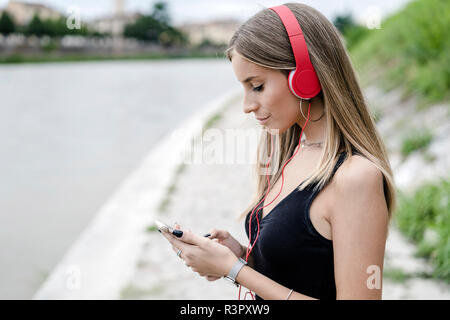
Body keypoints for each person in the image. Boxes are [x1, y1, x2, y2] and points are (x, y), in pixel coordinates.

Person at [161, 2, 396, 300]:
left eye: (257, 86)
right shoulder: (289, 154)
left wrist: (235, 270)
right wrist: (241, 256)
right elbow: (303, 272)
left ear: (306, 78)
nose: (246, 105)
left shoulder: (356, 177)